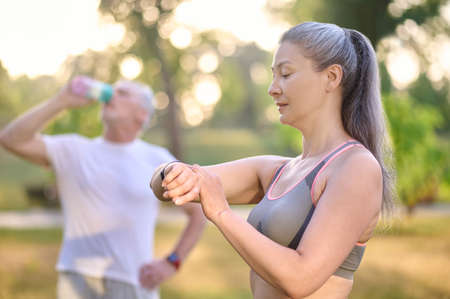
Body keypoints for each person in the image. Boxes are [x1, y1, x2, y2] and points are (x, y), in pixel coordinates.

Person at [151, 22, 395, 299]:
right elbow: (163, 186)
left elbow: (301, 279)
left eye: (286, 74)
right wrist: (173, 172)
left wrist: (221, 214)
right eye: (273, 75)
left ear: (331, 77)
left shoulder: (356, 167)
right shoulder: (278, 171)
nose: (272, 88)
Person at [0, 78, 206, 299]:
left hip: (134, 282)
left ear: (142, 114)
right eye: (112, 90)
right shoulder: (73, 150)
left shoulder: (157, 160)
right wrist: (61, 101)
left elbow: (198, 214)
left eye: (123, 93)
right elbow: (11, 140)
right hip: (76, 281)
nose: (110, 94)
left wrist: (172, 262)